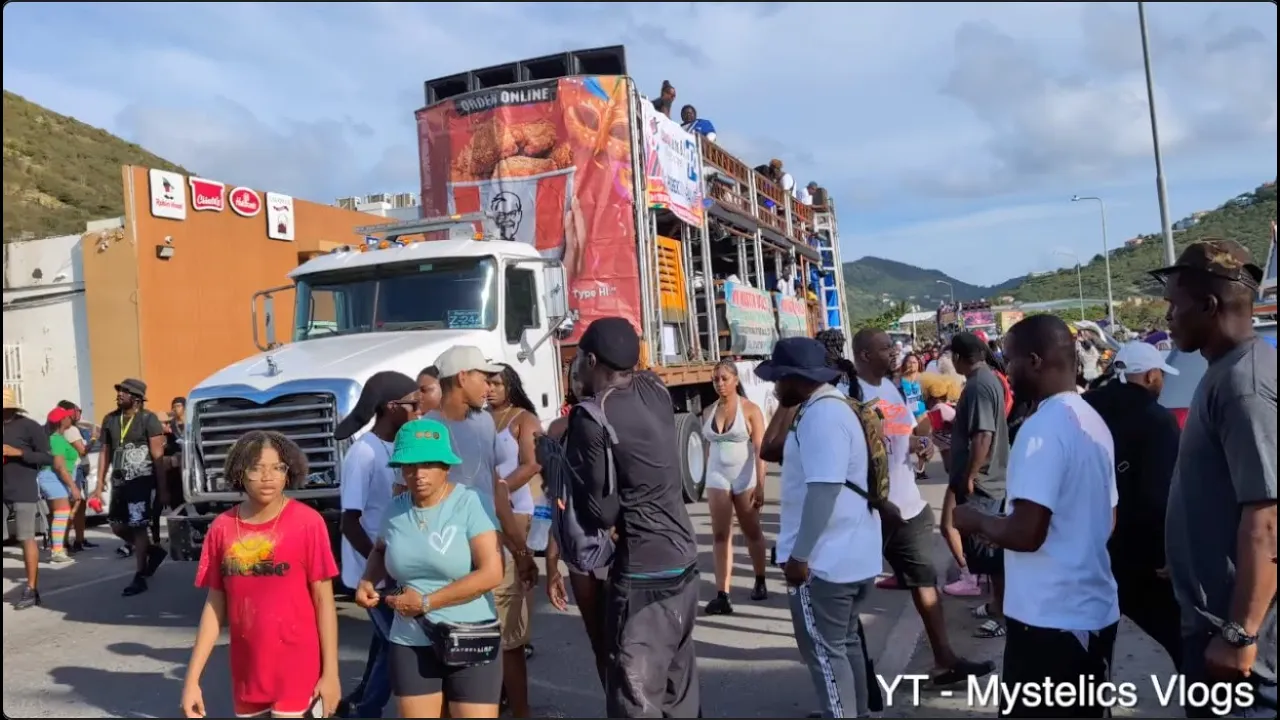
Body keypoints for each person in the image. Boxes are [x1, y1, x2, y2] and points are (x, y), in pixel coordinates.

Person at [954, 314, 1120, 718]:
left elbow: (1027, 533)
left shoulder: (1042, 428)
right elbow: (1109, 518)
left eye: (1008, 361)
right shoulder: (1091, 420)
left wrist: (975, 521)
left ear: (1035, 360)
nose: (1005, 372)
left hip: (1050, 623)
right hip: (1089, 613)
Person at [1155, 239, 1277, 717]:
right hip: (1217, 617)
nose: (1168, 317)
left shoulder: (1242, 385)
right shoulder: (1224, 369)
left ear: (1207, 305)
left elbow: (1267, 518)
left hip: (1237, 633)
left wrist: (1240, 633)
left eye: (1174, 304)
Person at [566, 317, 701, 717]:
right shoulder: (655, 388)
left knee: (635, 696)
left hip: (643, 572)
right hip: (685, 560)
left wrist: (565, 465)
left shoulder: (591, 417)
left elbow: (601, 511)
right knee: (678, 688)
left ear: (591, 359)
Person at [852, 330, 994, 685]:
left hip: (909, 507)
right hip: (873, 511)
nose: (894, 352)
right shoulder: (850, 394)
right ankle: (856, 673)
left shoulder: (890, 388)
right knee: (852, 592)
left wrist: (921, 444)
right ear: (864, 355)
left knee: (924, 582)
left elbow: (903, 435)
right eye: (885, 347)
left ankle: (945, 661)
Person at [755, 337, 881, 719]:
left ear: (795, 377)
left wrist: (800, 556)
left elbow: (824, 492)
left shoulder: (822, 416)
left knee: (827, 658)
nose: (774, 386)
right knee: (844, 646)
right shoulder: (829, 408)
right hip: (850, 555)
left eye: (778, 378)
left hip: (825, 562)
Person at [409, 346, 537, 716]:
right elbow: (406, 499)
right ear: (462, 377)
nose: (490, 385)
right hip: (444, 559)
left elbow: (496, 490)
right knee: (449, 650)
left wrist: (520, 550)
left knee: (506, 642)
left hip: (490, 551)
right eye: (483, 376)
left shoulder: (484, 424)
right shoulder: (424, 431)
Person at [181, 431, 342, 719]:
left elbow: (324, 601)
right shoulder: (222, 528)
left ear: (289, 471)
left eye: (278, 467)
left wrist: (331, 673)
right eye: (256, 467)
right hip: (248, 674)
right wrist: (192, 680)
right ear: (239, 473)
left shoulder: (308, 523)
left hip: (299, 671)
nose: (268, 476)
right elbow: (215, 606)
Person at [354, 418, 506, 719]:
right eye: (409, 465)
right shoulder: (396, 508)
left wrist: (426, 602)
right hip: (410, 639)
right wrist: (368, 580)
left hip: (469, 634)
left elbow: (492, 573)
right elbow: (380, 549)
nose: (418, 473)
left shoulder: (471, 503)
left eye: (427, 464)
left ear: (445, 466)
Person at [1083, 341, 1184, 669]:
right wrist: (1172, 552)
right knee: (1183, 640)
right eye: (1161, 376)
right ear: (1152, 375)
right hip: (1141, 554)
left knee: (1093, 647)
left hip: (1087, 550)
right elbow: (1161, 496)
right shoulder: (1157, 420)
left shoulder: (1085, 408)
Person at [335, 371, 421, 719]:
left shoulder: (397, 446)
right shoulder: (364, 453)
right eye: (413, 404)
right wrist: (377, 564)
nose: (418, 411)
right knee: (396, 645)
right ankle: (366, 710)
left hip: (394, 566)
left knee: (382, 641)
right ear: (392, 407)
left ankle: (354, 699)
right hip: (374, 572)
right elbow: (349, 520)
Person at [544, 359, 612, 687]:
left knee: (627, 641)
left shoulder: (616, 419)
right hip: (579, 549)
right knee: (599, 642)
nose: (577, 379)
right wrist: (552, 562)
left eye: (581, 372)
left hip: (618, 549)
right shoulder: (558, 430)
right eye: (571, 374)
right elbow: (555, 500)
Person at [487, 363, 544, 705]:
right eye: (488, 383)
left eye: (497, 383)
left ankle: (518, 639)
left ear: (510, 385)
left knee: (513, 579)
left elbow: (532, 463)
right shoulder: (479, 418)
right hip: (491, 508)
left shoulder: (522, 419)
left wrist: (502, 488)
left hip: (517, 507)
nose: (490, 389)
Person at [947, 332, 1011, 638]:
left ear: (958, 358)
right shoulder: (987, 380)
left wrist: (970, 475)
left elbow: (983, 435)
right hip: (988, 478)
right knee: (986, 552)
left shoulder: (978, 385)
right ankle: (996, 603)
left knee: (991, 554)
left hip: (985, 483)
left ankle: (1003, 613)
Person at [702, 360, 769, 614]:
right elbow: (710, 447)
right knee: (720, 535)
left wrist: (761, 484)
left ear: (735, 380)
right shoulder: (709, 411)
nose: (719, 384)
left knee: (751, 530)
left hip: (745, 477)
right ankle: (723, 593)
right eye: (716, 379)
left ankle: (760, 578)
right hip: (718, 477)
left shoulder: (750, 410)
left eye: (724, 378)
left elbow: (759, 449)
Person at [95, 378, 168, 596]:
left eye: (124, 391)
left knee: (138, 526)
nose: (119, 394)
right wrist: (99, 483)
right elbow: (104, 452)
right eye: (119, 390)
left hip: (141, 482)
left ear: (136, 398)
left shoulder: (148, 419)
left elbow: (158, 456)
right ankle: (152, 551)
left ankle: (140, 574)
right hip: (119, 482)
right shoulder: (110, 419)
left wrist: (163, 489)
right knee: (117, 526)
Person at [4, 388, 54, 610]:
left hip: (22, 489)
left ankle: (31, 589)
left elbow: (47, 457)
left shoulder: (29, 426)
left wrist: (19, 453)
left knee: (26, 538)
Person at [41, 406, 83, 564]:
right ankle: (57, 552)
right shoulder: (56, 439)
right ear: (62, 421)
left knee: (61, 513)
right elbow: (59, 466)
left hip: (56, 478)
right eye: (68, 417)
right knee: (62, 512)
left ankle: (58, 549)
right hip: (53, 478)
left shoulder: (58, 437)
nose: (70, 418)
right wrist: (73, 486)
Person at [56, 399, 96, 553]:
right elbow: (83, 450)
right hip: (75, 471)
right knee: (74, 506)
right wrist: (93, 438)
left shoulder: (66, 429)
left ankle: (79, 540)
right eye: (76, 411)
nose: (78, 413)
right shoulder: (71, 430)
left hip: (74, 470)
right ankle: (64, 543)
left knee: (79, 507)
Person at [157, 396, 187, 545]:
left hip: (186, 469)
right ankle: (178, 533)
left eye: (179, 406)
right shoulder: (170, 429)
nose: (176, 409)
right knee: (175, 502)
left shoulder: (190, 425)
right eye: (174, 406)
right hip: (172, 470)